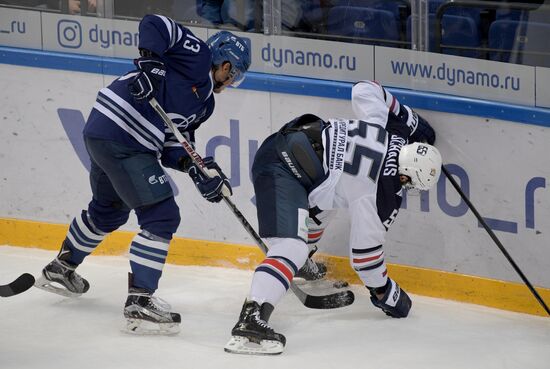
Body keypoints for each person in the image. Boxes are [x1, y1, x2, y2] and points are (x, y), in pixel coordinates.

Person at [34, 14, 251, 335]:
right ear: (225, 65)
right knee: (161, 215)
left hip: (106, 132)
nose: (231, 83)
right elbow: (155, 23)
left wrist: (197, 169)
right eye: (234, 75)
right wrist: (151, 63)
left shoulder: (205, 105)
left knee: (109, 211)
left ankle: (61, 267)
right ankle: (140, 298)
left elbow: (174, 144)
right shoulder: (197, 55)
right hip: (124, 133)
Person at [224, 80, 440, 355]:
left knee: (331, 199)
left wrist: (410, 120)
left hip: (285, 148)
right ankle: (252, 317)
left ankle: (299, 263)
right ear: (405, 175)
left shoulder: (384, 129)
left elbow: (365, 88)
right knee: (291, 246)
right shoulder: (380, 193)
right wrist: (387, 294)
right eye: (409, 184)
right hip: (283, 171)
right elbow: (365, 259)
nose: (405, 188)